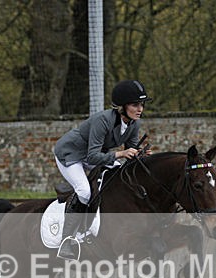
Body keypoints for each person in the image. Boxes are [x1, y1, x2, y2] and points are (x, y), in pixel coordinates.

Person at [53, 79, 151, 260]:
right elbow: (92, 157)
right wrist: (121, 154)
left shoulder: (134, 123)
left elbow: (129, 153)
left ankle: (95, 226)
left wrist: (139, 154)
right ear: (122, 106)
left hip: (96, 155)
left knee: (118, 176)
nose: (140, 109)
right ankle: (66, 241)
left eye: (142, 105)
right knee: (84, 191)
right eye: (135, 104)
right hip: (71, 154)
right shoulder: (103, 120)